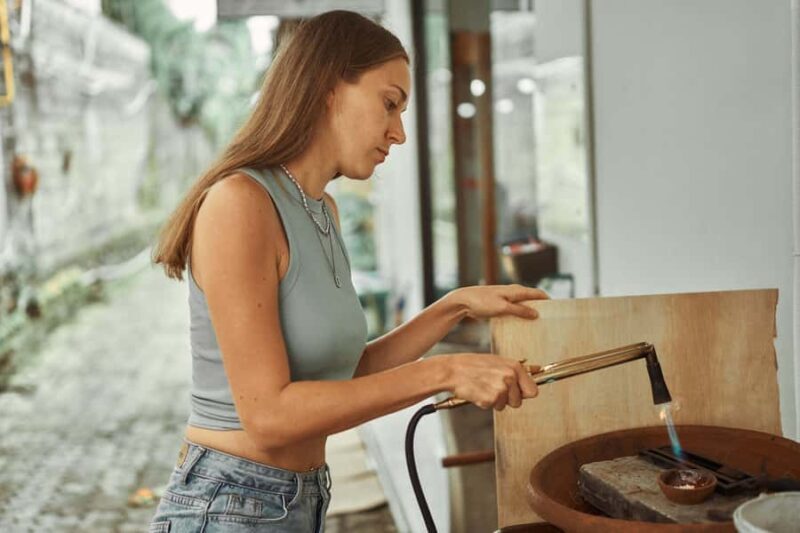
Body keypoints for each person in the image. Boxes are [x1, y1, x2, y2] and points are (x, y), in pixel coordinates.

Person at [148, 10, 547, 533]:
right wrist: (445, 372)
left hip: (299, 501)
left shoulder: (321, 209)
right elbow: (268, 417)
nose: (399, 133)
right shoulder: (239, 203)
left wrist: (456, 306)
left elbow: (344, 377)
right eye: (389, 104)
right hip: (229, 504)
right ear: (327, 88)